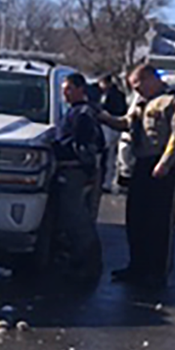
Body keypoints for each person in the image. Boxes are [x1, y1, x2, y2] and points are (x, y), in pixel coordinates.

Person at [97, 64, 175, 289]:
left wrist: (165, 163)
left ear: (151, 79)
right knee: (136, 217)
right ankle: (137, 266)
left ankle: (157, 272)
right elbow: (127, 123)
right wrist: (103, 117)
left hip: (164, 165)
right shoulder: (141, 102)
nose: (137, 91)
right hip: (141, 162)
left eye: (138, 86)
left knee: (159, 220)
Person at [53, 73, 104, 281]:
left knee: (77, 218)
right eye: (64, 90)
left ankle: (87, 262)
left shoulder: (82, 114)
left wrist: (59, 148)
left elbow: (85, 146)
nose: (65, 94)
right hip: (72, 170)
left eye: (69, 89)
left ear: (80, 89)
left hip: (74, 170)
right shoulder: (75, 111)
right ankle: (78, 258)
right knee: (70, 217)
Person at [97, 74, 129, 192]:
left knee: (108, 155)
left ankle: (107, 182)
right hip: (112, 127)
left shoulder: (113, 95)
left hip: (110, 127)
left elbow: (115, 110)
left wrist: (106, 115)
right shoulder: (114, 94)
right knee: (111, 156)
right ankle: (108, 181)